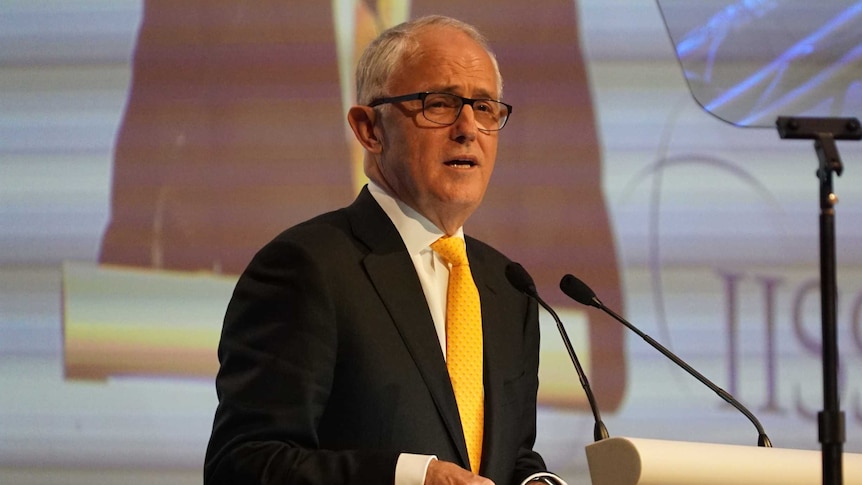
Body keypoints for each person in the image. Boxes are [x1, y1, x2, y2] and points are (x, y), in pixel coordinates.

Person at [204, 15, 567, 485]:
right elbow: (244, 465)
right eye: (439, 104)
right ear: (369, 129)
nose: (468, 128)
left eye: (484, 107)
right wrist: (413, 478)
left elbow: (510, 457)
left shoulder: (507, 286)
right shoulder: (306, 267)